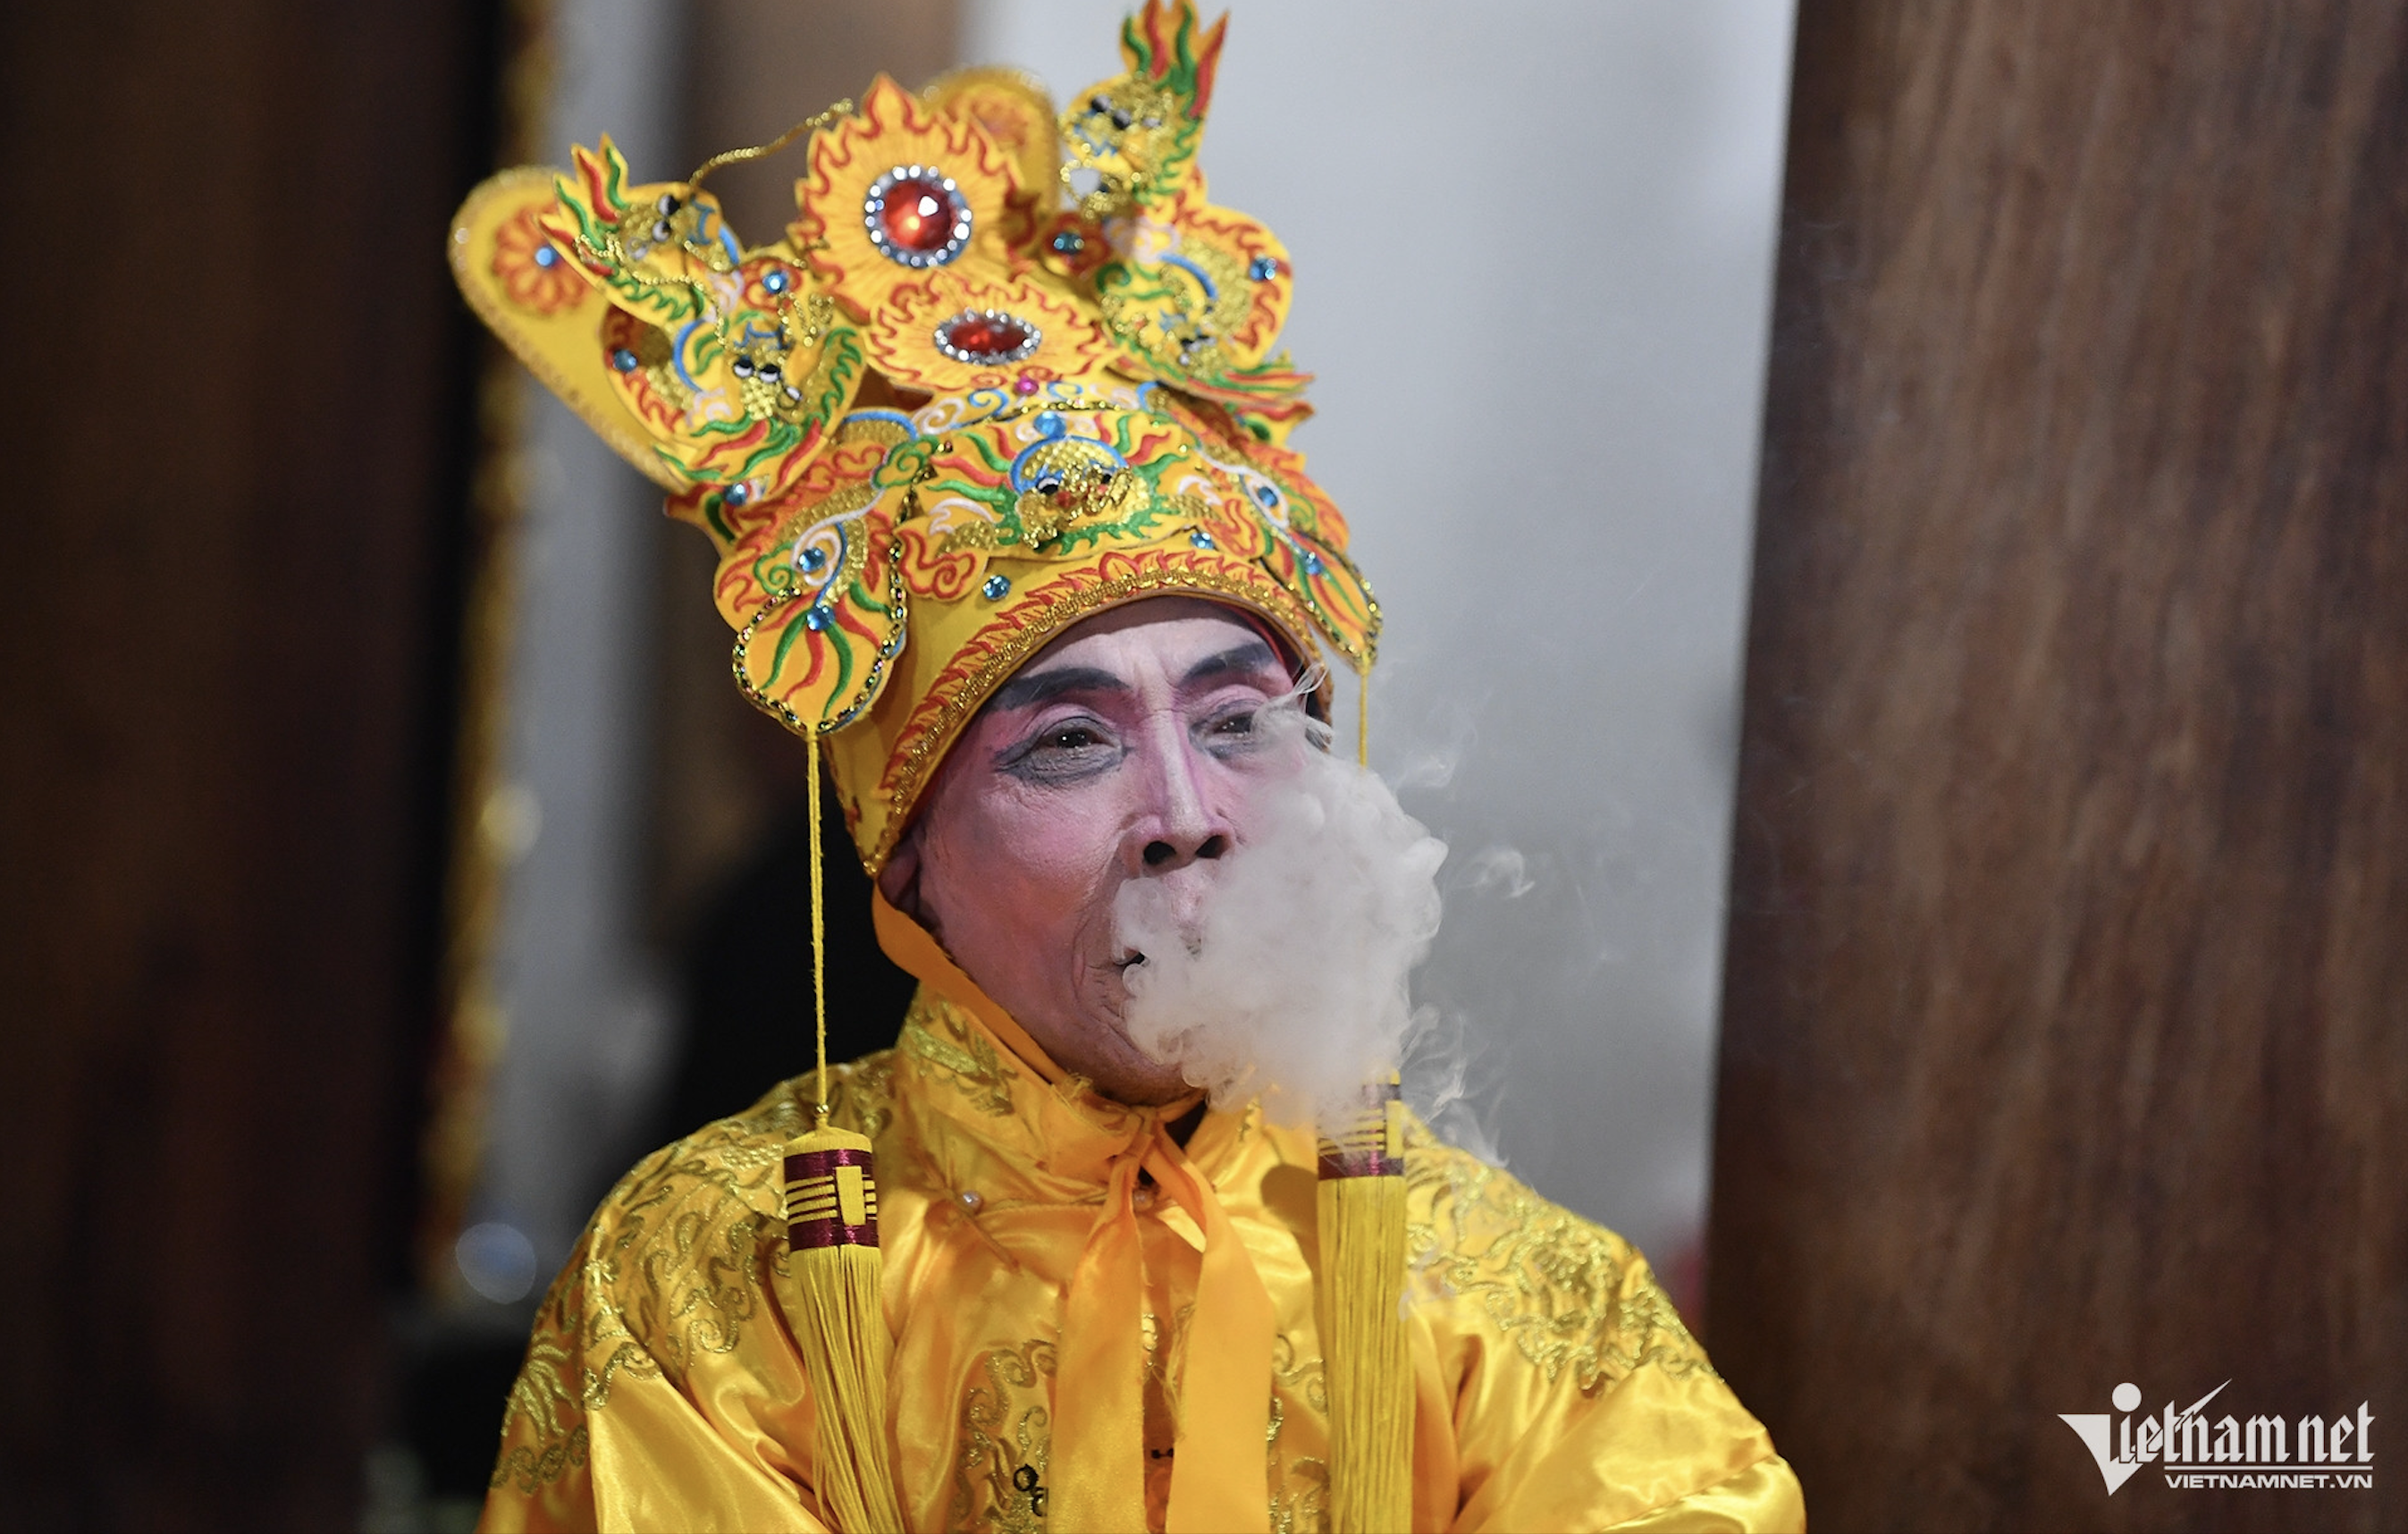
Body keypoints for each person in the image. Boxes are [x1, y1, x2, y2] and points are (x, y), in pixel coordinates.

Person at [449, 5, 1805, 1529]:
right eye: (1072, 741)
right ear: (901, 857)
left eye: (1237, 722)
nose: (1185, 819)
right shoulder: (716, 1275)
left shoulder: (1509, 1300)